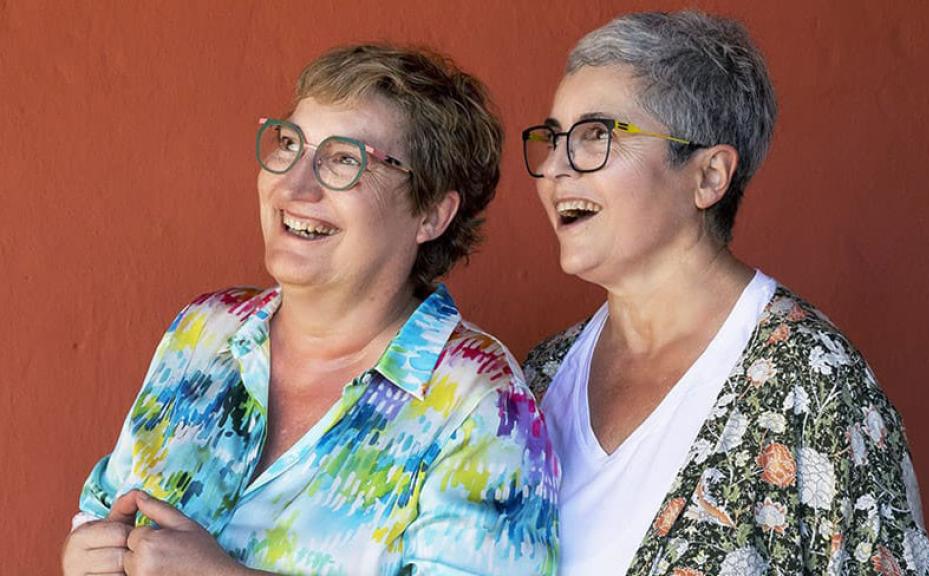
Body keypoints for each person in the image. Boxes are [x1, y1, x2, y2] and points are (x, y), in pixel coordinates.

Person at [62, 44, 559, 576]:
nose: (294, 187)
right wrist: (86, 552)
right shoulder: (205, 330)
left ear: (432, 213)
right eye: (289, 144)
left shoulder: (482, 404)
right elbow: (102, 509)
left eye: (345, 159)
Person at [521, 11, 929, 576]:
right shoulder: (540, 376)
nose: (553, 168)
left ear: (709, 176)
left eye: (597, 136)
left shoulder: (811, 384)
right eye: (554, 138)